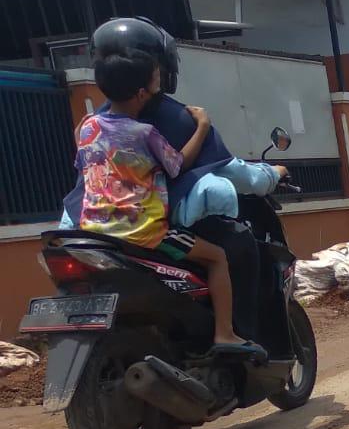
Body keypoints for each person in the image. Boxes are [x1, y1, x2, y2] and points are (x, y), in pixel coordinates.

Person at [61, 17, 287, 342]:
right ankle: (228, 334)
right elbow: (186, 166)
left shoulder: (89, 125)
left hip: (91, 232)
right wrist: (205, 128)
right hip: (146, 233)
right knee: (228, 251)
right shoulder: (169, 122)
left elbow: (82, 164)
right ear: (148, 78)